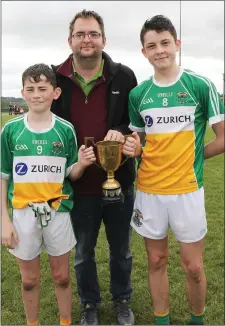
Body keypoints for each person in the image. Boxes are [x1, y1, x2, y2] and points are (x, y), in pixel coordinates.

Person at [122, 15, 224, 325]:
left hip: (187, 192)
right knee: (156, 260)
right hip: (150, 192)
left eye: (165, 42)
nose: (159, 50)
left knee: (193, 266)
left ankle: (197, 320)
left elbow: (222, 139)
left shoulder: (199, 85)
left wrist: (193, 158)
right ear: (144, 52)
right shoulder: (138, 95)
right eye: (151, 45)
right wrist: (135, 148)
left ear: (176, 44)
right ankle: (162, 321)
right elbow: (137, 140)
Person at [51, 9, 137, 325]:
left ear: (104, 39)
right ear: (70, 39)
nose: (87, 40)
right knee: (83, 253)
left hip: (120, 182)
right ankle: (89, 305)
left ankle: (122, 301)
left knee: (122, 252)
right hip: (78, 185)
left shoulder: (124, 75)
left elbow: (135, 123)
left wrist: (125, 132)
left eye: (93, 34)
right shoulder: (55, 77)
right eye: (81, 34)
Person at [1, 63, 96, 326]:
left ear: (55, 93)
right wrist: (4, 220)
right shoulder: (10, 130)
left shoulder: (65, 130)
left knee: (61, 277)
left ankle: (65, 321)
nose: (36, 94)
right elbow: (3, 178)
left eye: (43, 88)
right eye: (30, 89)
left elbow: (71, 174)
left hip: (58, 212)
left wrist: (82, 164)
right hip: (22, 213)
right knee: (29, 280)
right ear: (22, 92)